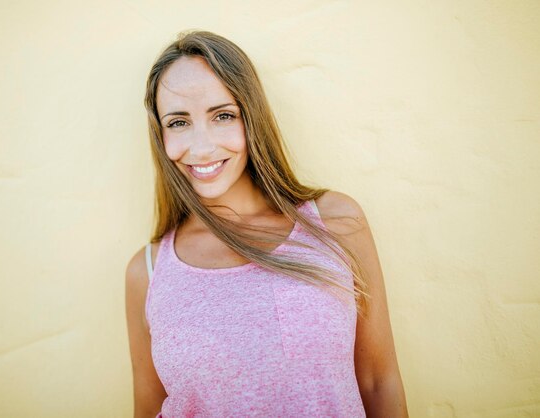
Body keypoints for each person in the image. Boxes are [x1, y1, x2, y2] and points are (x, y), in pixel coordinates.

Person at [125, 30, 408, 418]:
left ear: (251, 117)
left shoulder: (336, 223)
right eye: (178, 122)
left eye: (223, 115)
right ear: (161, 134)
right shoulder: (149, 271)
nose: (202, 146)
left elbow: (379, 380)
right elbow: (148, 407)